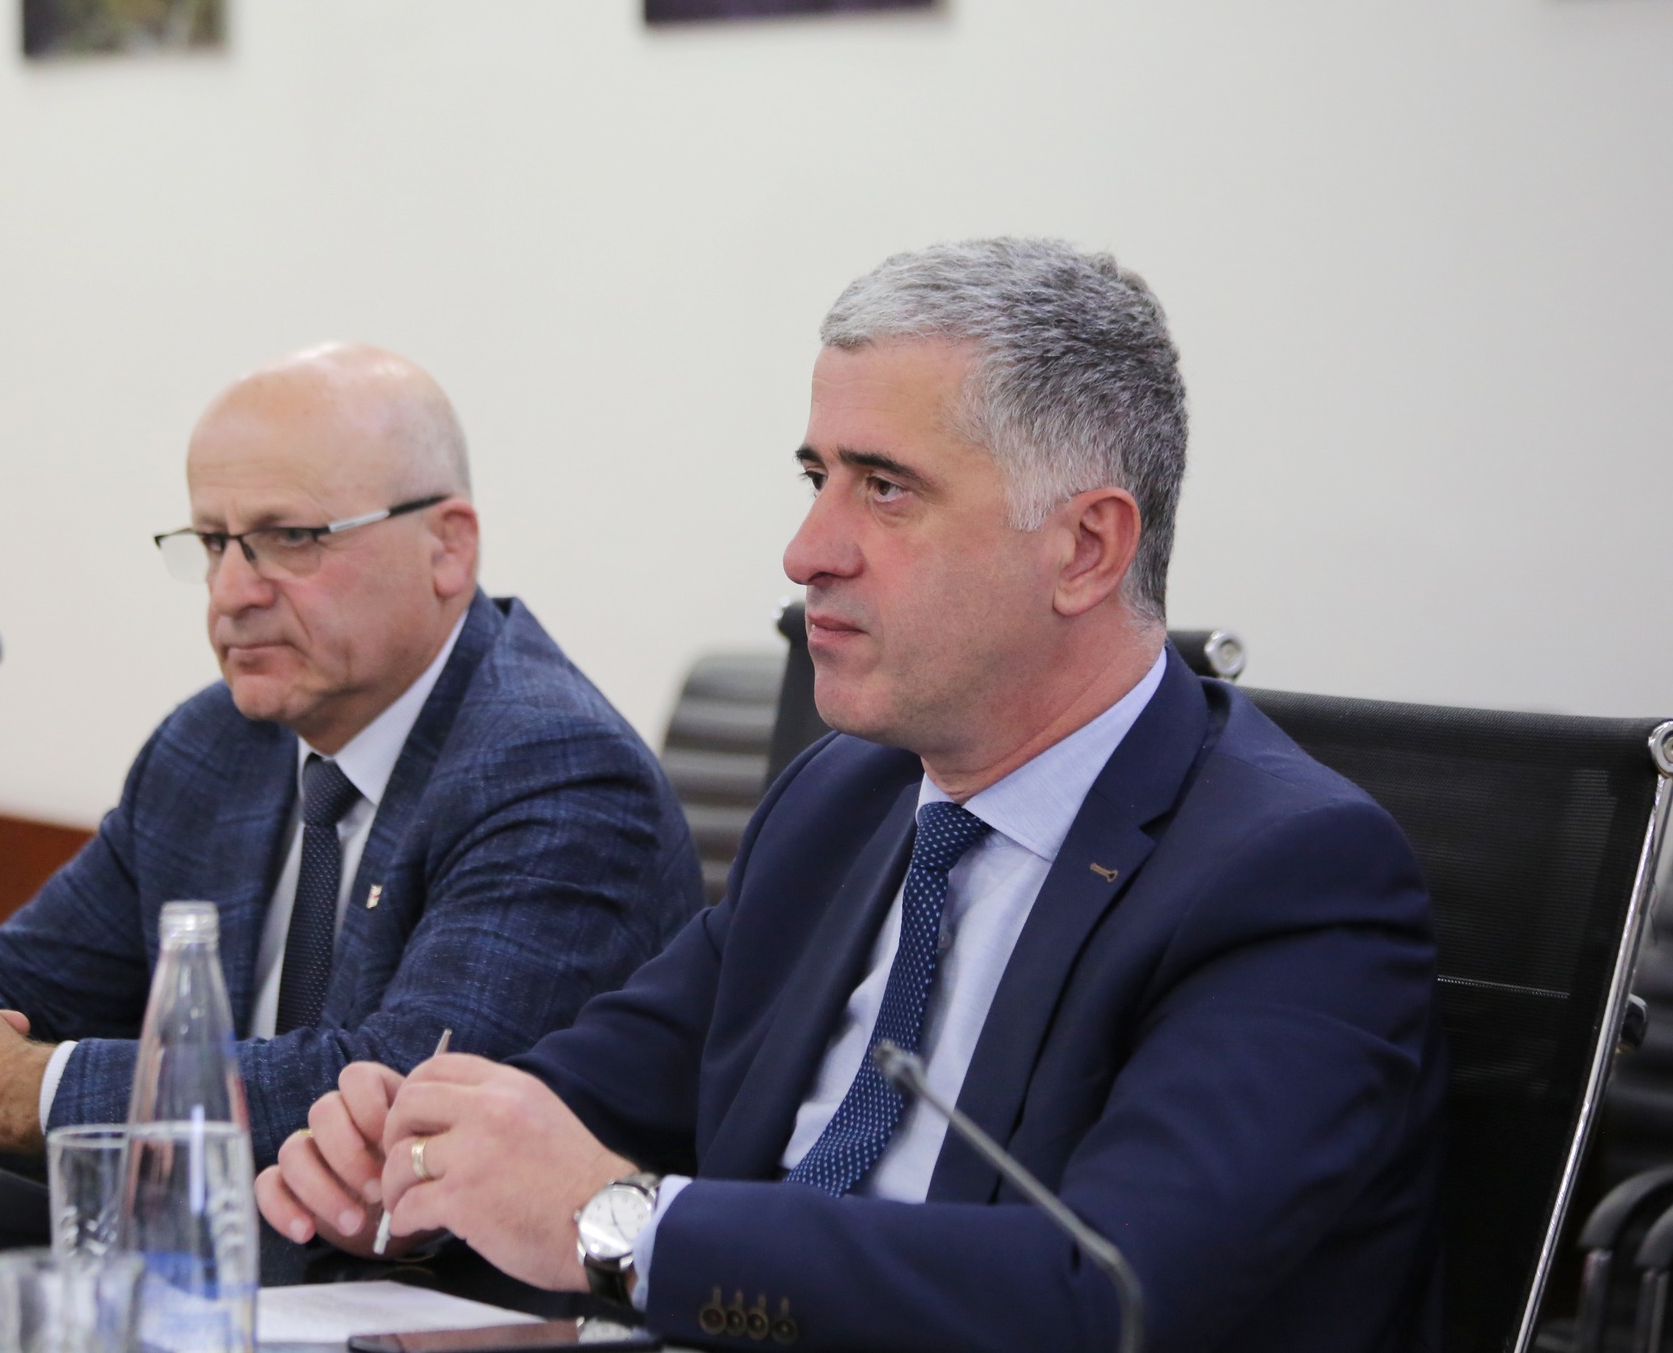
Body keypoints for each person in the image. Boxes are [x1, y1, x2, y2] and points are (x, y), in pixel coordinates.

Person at [256, 242, 1448, 1351]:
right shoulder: (842, 800)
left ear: (1084, 548)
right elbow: (589, 1094)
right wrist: (418, 1154)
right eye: (816, 476)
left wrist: (616, 1228)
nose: (805, 551)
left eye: (883, 489)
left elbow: (1104, 1296)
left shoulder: (1289, 878)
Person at [0, 343, 702, 1198]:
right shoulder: (213, 744)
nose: (230, 593)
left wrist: (25, 1091)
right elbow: (25, 983)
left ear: (447, 547)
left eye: (289, 538)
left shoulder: (558, 774)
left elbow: (396, 1104)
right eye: (214, 542)